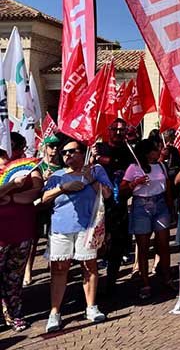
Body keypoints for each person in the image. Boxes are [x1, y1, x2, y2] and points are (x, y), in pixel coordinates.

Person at [42, 140, 113, 332]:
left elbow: (107, 194)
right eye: (64, 152)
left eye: (72, 151)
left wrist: (91, 179)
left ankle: (91, 307)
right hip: (61, 228)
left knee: (89, 265)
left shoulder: (96, 171)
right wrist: (63, 188)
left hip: (88, 227)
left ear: (83, 153)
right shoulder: (56, 176)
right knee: (59, 268)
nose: (67, 155)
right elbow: (43, 199)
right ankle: (54, 312)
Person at [120, 139, 174, 299]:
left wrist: (170, 205)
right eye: (155, 150)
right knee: (143, 247)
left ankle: (167, 277)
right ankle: (145, 283)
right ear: (147, 153)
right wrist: (136, 182)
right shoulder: (133, 168)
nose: (158, 152)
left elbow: (168, 186)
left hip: (160, 204)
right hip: (141, 206)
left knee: (163, 244)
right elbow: (122, 189)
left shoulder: (161, 166)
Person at [92, 118, 135, 295]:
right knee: (95, 245)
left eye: (122, 130)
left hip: (119, 206)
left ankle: (111, 283)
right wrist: (95, 156)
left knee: (117, 245)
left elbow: (127, 168)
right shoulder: (98, 148)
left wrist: (103, 160)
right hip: (97, 205)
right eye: (115, 129)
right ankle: (91, 285)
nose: (118, 133)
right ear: (108, 130)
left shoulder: (129, 150)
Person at [0, 161, 43, 332]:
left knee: (14, 276)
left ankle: (14, 314)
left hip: (22, 230)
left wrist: (9, 197)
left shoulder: (29, 164)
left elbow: (36, 190)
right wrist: (12, 186)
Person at [24, 136, 63, 286]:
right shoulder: (37, 166)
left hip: (54, 207)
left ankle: (53, 269)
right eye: (51, 146)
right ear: (44, 148)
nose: (54, 149)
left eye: (56, 146)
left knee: (52, 239)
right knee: (33, 241)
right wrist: (42, 180)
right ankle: (28, 271)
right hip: (38, 207)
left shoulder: (62, 166)